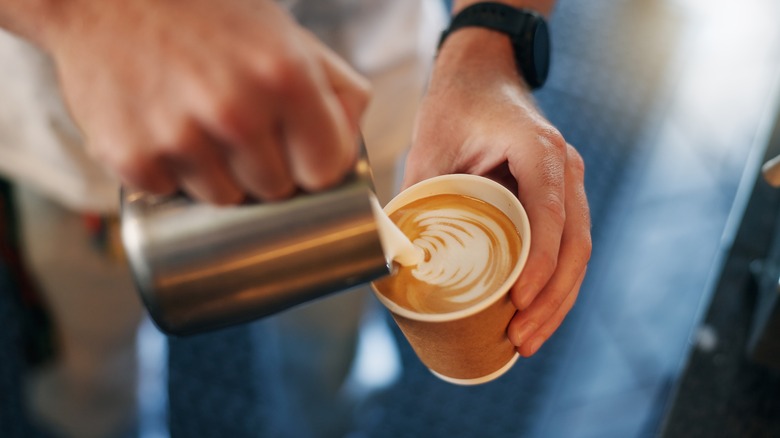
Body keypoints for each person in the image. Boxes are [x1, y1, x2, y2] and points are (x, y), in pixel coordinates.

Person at [0, 0, 591, 435]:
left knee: (331, 359)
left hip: (374, 106)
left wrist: (489, 41)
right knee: (91, 389)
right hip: (75, 147)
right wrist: (83, 17)